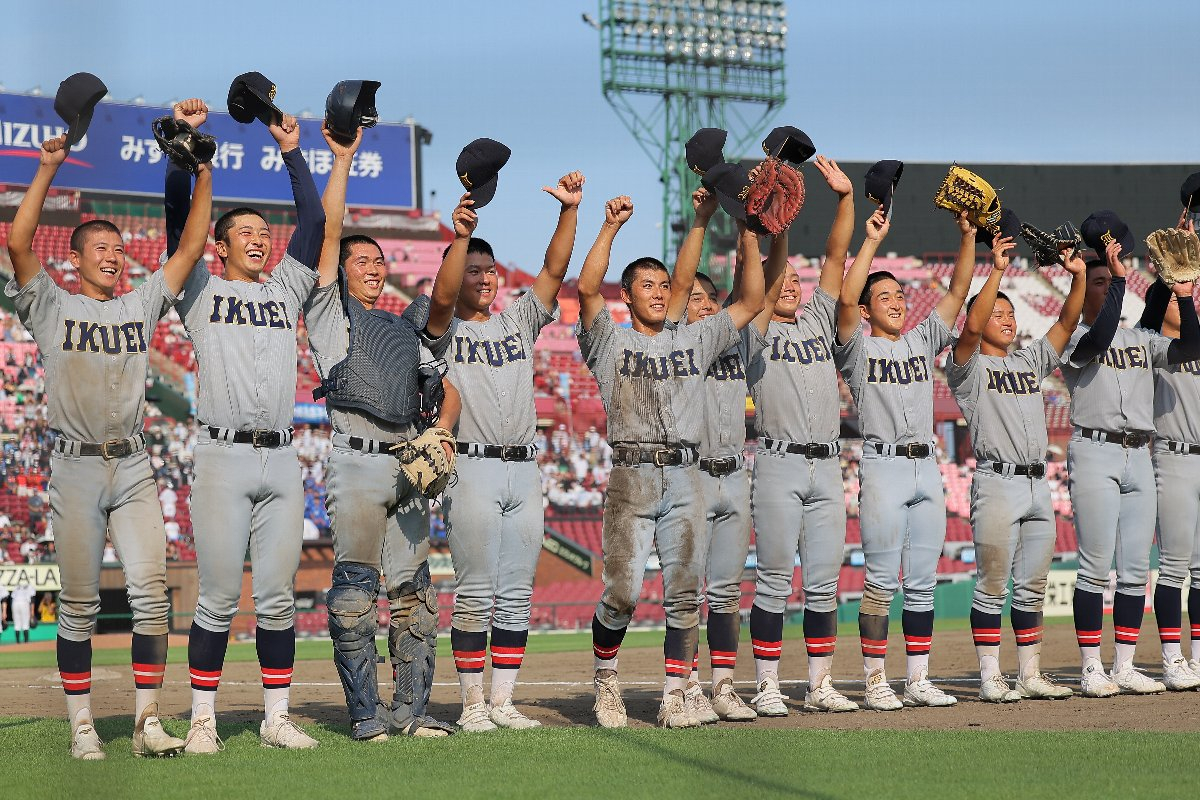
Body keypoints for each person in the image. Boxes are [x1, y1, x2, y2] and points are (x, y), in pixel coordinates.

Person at [6, 126, 212, 758]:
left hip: (133, 467)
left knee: (153, 595)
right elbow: (16, 241)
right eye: (100, 246)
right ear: (74, 258)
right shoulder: (50, 305)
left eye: (119, 247)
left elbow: (193, 246)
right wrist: (47, 168)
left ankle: (148, 723)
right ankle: (82, 728)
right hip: (72, 469)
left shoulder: (140, 305)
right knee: (78, 603)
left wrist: (202, 169)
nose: (114, 255)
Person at [162, 99, 325, 751]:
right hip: (223, 460)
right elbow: (180, 224)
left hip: (283, 461)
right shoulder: (201, 289)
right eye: (246, 232)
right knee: (219, 598)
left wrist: (292, 149)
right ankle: (203, 720)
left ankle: (275, 718)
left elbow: (311, 219)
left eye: (264, 230)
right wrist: (185, 145)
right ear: (221, 245)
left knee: (280, 599)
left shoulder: (286, 289)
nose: (259, 238)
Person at [578, 195, 764, 729]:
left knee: (685, 593)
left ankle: (675, 695)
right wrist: (610, 227)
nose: (659, 293)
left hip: (687, 475)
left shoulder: (696, 337)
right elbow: (587, 289)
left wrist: (731, 228)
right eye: (647, 286)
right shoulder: (610, 343)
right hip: (632, 476)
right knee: (622, 593)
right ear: (627, 296)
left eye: (665, 286)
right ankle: (606, 681)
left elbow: (750, 298)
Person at [307, 124, 466, 740]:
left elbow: (445, 329)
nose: (373, 267)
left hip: (408, 461)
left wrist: (445, 428)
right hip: (354, 460)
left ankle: (412, 711)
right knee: (353, 596)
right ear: (343, 271)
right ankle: (365, 715)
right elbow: (325, 237)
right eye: (361, 260)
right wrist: (342, 161)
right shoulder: (329, 315)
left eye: (379, 260)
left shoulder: (407, 329)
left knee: (415, 596)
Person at [433, 171, 584, 732]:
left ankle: (501, 701)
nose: (484, 278)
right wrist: (460, 238)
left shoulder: (516, 324)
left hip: (525, 467)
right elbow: (444, 294)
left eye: (489, 269)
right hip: (469, 464)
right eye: (472, 269)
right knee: (474, 590)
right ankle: (472, 704)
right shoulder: (443, 327)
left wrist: (568, 212)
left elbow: (552, 273)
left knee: (517, 593)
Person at [834, 208, 975, 710]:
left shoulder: (920, 340)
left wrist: (967, 236)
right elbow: (845, 300)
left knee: (921, 582)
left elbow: (957, 295)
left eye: (899, 294)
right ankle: (875, 681)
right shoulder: (856, 349)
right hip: (882, 464)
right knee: (879, 580)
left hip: (926, 466)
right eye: (884, 297)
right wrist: (871, 241)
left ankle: (917, 678)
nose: (896, 302)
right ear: (868, 310)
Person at [945, 234, 1085, 702]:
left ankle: (1029, 674)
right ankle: (989, 678)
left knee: (1032, 587)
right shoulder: (968, 367)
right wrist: (998, 272)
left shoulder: (1028, 360)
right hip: (996, 480)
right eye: (997, 314)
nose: (1006, 319)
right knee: (991, 585)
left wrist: (1079, 276)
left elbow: (1067, 321)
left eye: (1010, 314)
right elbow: (969, 329)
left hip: (1035, 482)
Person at [1059, 234, 1200, 697]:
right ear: (1084, 290)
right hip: (1095, 450)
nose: (1105, 287)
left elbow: (1188, 348)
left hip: (1140, 452)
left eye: (1109, 281)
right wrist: (1120, 279)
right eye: (1097, 282)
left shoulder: (1142, 338)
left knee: (1137, 569)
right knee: (1096, 567)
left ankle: (1123, 665)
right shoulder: (1075, 336)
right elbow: (1100, 337)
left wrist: (1181, 291)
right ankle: (1089, 667)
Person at [742, 157, 858, 716]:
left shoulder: (815, 321)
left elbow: (836, 257)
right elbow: (766, 283)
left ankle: (819, 684)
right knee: (771, 582)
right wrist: (777, 230)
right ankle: (766, 684)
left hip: (828, 465)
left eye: (794, 280)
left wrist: (844, 199)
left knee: (822, 585)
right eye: (780, 279)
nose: (789, 284)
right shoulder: (756, 330)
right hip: (779, 462)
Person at [662, 188, 761, 723]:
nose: (704, 305)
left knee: (725, 594)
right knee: (685, 593)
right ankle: (681, 689)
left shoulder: (733, 344)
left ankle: (722, 686)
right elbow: (680, 285)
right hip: (690, 476)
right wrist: (702, 222)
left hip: (733, 474)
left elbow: (755, 294)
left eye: (709, 299)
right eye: (697, 298)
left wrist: (752, 227)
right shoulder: (677, 340)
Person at [1126, 224, 1200, 691]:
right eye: (1170, 297)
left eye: (1183, 296)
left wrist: (1187, 287)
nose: (1177, 299)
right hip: (1173, 458)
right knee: (1173, 565)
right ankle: (1173, 659)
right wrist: (1170, 283)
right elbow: (1152, 319)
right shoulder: (1150, 348)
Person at [10, 577, 36, 643]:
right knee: (25, 623)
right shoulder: (30, 586)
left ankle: (17, 642)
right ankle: (26, 642)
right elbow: (32, 599)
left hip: (15, 603)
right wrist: (32, 611)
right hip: (24, 603)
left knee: (17, 624)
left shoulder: (17, 586)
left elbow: (12, 598)